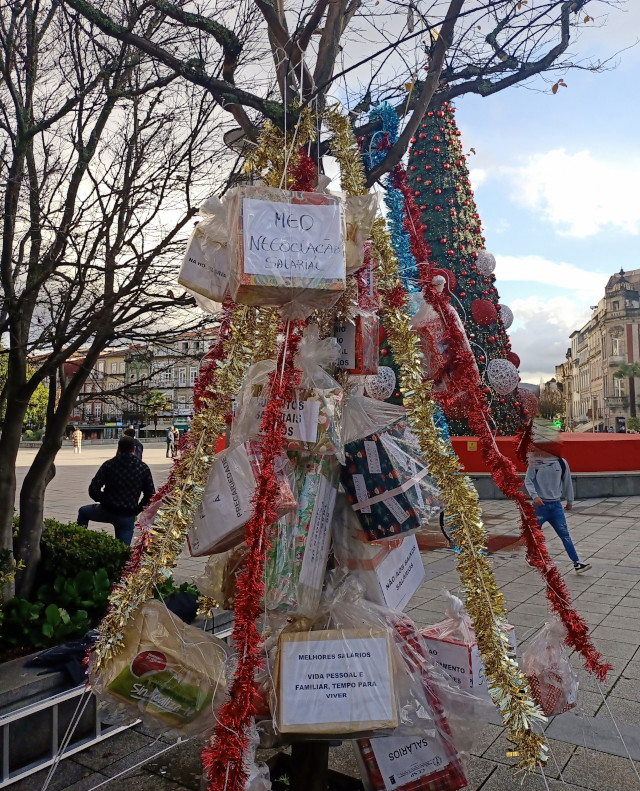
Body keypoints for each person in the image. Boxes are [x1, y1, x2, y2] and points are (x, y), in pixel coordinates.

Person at [77, 436, 155, 545]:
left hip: (107, 509)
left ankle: (79, 541)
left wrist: (105, 500)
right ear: (134, 449)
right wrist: (137, 509)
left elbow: (93, 489)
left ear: (118, 448)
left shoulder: (109, 464)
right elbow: (150, 494)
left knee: (83, 512)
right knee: (123, 549)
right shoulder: (142, 468)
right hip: (127, 514)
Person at [525, 450, 591, 574]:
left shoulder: (561, 462)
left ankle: (577, 562)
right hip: (540, 506)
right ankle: (530, 556)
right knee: (534, 533)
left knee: (565, 534)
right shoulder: (535, 462)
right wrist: (535, 496)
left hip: (556, 506)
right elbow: (528, 480)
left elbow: (567, 481)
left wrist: (570, 500)